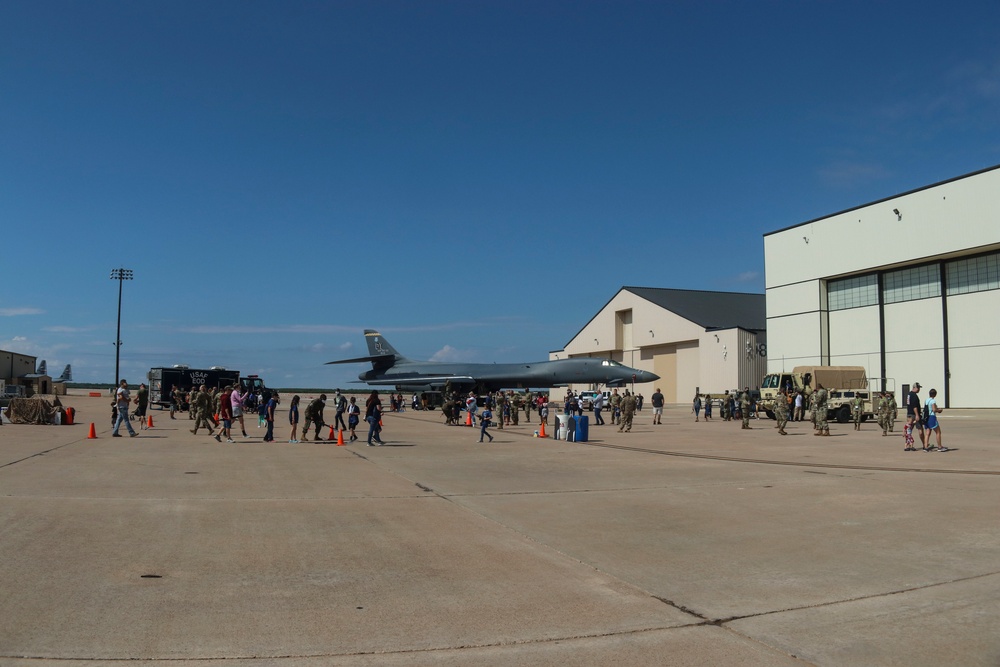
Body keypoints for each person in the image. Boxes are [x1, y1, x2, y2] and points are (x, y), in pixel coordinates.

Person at [905, 382, 924, 451]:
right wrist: (917, 415)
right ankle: (924, 444)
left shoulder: (909, 394)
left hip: (909, 414)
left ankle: (908, 445)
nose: (919, 390)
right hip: (914, 414)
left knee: (909, 430)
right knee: (920, 430)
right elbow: (914, 406)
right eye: (918, 388)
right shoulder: (914, 396)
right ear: (915, 388)